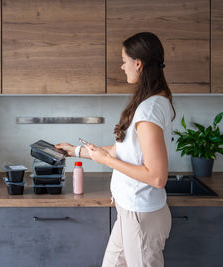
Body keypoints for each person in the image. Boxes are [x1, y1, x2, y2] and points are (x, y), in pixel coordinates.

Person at [55, 32, 176, 267]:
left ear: (138, 63)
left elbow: (157, 176)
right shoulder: (154, 102)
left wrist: (106, 161)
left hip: (141, 215)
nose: (122, 66)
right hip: (130, 212)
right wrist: (76, 151)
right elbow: (127, 150)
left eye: (124, 60)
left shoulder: (148, 111)